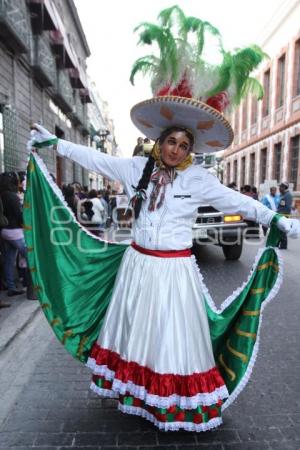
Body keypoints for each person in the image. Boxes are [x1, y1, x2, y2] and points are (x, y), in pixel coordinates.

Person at [26, 7, 300, 432]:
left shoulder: (199, 178)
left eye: (182, 143)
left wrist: (276, 219)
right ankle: (136, 391)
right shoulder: (138, 169)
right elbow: (96, 158)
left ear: (191, 148)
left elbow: (236, 201)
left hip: (174, 271)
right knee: (136, 333)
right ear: (160, 141)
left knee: (171, 337)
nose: (174, 148)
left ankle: (170, 401)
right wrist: (56, 144)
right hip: (137, 265)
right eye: (170, 140)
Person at [277, 182, 293, 249]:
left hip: (284, 215)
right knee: (279, 229)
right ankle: (278, 243)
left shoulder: (288, 195)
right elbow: (281, 205)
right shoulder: (283, 195)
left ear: (284, 187)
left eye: (280, 187)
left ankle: (283, 245)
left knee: (283, 230)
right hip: (280, 214)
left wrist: (284, 215)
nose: (279, 188)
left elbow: (288, 207)